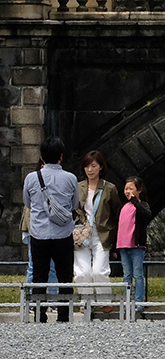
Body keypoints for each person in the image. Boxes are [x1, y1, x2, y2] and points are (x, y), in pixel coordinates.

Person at [24, 137, 77, 322]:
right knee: (64, 276)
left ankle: (40, 315)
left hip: (39, 233)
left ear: (42, 157)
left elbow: (27, 203)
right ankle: (64, 316)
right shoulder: (71, 178)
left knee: (39, 276)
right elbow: (74, 204)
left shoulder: (31, 178)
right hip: (63, 234)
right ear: (61, 157)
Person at [73, 150, 118, 300]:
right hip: (81, 234)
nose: (90, 170)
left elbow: (117, 211)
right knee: (82, 272)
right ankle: (86, 301)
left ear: (100, 167)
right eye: (87, 166)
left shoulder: (109, 188)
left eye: (93, 166)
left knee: (100, 271)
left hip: (102, 234)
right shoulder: (77, 187)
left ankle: (105, 300)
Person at [116, 176, 152, 315]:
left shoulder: (142, 205)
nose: (128, 191)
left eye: (131, 188)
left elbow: (146, 214)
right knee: (126, 275)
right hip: (123, 246)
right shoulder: (123, 207)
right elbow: (118, 227)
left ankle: (139, 302)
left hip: (136, 246)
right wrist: (115, 247)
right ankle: (127, 302)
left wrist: (135, 201)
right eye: (126, 188)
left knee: (138, 275)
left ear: (139, 190)